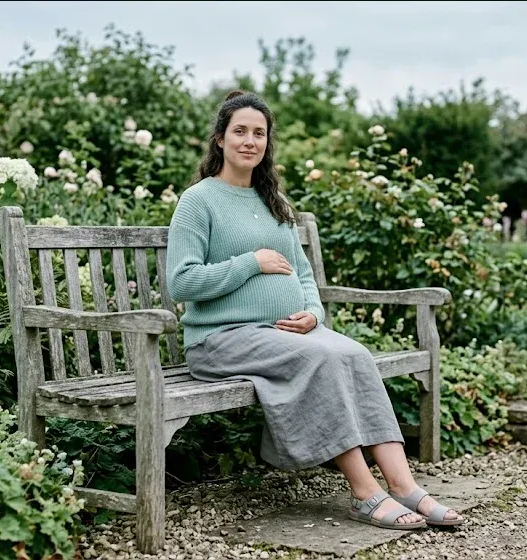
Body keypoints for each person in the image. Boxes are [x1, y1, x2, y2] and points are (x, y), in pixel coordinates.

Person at [165, 90, 464, 530]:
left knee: (356, 355)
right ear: (220, 139)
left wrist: (313, 313)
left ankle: (404, 486)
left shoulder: (274, 201)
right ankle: (364, 493)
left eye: (259, 133)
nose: (250, 141)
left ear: (267, 142)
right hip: (221, 339)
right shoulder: (199, 200)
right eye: (240, 131)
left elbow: (303, 274)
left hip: (285, 333)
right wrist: (251, 263)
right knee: (323, 359)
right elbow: (182, 281)